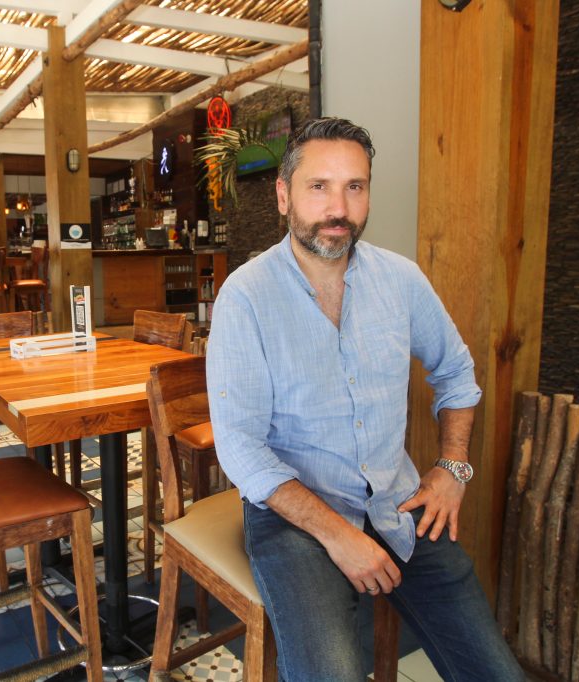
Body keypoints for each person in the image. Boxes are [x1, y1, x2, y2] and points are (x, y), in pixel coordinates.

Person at [206, 118, 523, 681]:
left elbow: (456, 370)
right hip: (296, 518)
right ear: (283, 196)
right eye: (318, 186)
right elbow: (241, 448)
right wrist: (339, 535)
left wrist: (453, 468)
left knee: (496, 673)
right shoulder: (246, 296)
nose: (339, 208)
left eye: (355, 186)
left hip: (399, 502)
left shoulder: (400, 280)